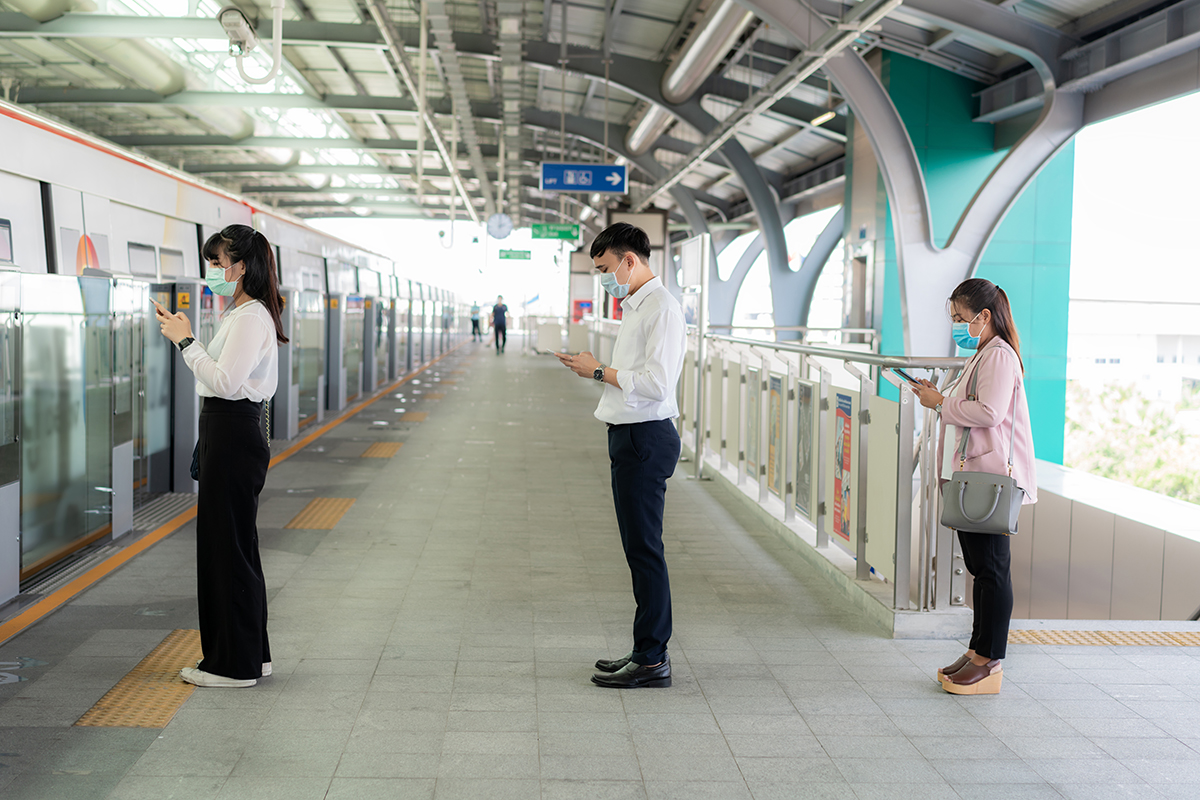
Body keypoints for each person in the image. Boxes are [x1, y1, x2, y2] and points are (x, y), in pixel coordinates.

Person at [155, 224, 287, 689]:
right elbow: (221, 377)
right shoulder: (242, 313)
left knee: (224, 549)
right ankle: (251, 655)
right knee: (236, 546)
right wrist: (188, 339)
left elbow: (226, 383)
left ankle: (232, 665)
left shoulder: (250, 317)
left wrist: (186, 342)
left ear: (242, 266)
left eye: (217, 262)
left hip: (232, 430)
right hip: (227, 429)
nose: (212, 270)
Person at [556, 222, 685, 689]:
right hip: (630, 436)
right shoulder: (638, 306)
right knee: (638, 549)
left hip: (645, 439)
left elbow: (656, 384)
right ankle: (644, 649)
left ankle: (653, 659)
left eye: (606, 268)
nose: (605, 279)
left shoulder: (662, 310)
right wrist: (595, 370)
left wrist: (598, 372)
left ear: (630, 260)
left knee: (646, 550)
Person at [910, 278, 1037, 696]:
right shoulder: (984, 354)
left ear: (984, 317)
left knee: (992, 570)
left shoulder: (998, 356)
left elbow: (989, 412)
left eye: (961, 319)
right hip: (974, 476)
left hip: (989, 478)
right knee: (982, 570)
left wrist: (939, 405)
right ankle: (978, 650)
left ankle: (990, 659)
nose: (957, 327)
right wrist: (938, 396)